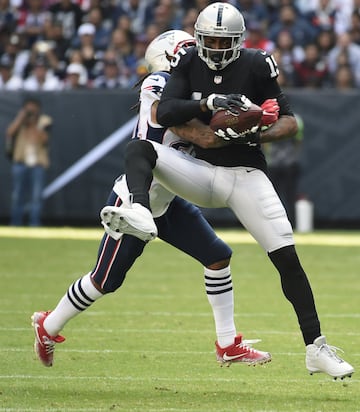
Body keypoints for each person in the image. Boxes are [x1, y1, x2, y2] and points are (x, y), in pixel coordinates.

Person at [107, 3, 354, 380]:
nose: (217, 48)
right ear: (198, 38)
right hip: (201, 172)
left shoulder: (256, 64)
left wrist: (256, 130)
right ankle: (140, 211)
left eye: (225, 42)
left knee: (287, 257)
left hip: (245, 172)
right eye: (211, 40)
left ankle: (315, 348)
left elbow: (289, 121)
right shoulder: (188, 62)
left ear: (239, 42)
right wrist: (208, 102)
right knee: (139, 149)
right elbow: (165, 112)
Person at [31, 30, 271, 368]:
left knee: (218, 256)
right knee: (104, 280)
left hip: (168, 200)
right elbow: (188, 123)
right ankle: (49, 324)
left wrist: (255, 115)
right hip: (135, 202)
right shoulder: (158, 83)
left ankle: (228, 343)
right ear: (171, 58)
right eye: (190, 52)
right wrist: (227, 114)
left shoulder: (194, 87)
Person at [6, 97, 52, 226]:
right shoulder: (20, 121)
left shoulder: (44, 121)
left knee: (36, 196)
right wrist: (21, 118)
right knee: (17, 195)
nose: (31, 112)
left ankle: (34, 223)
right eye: (28, 109)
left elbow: (44, 140)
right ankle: (15, 224)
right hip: (20, 162)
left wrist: (34, 123)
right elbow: (9, 133)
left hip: (38, 164)